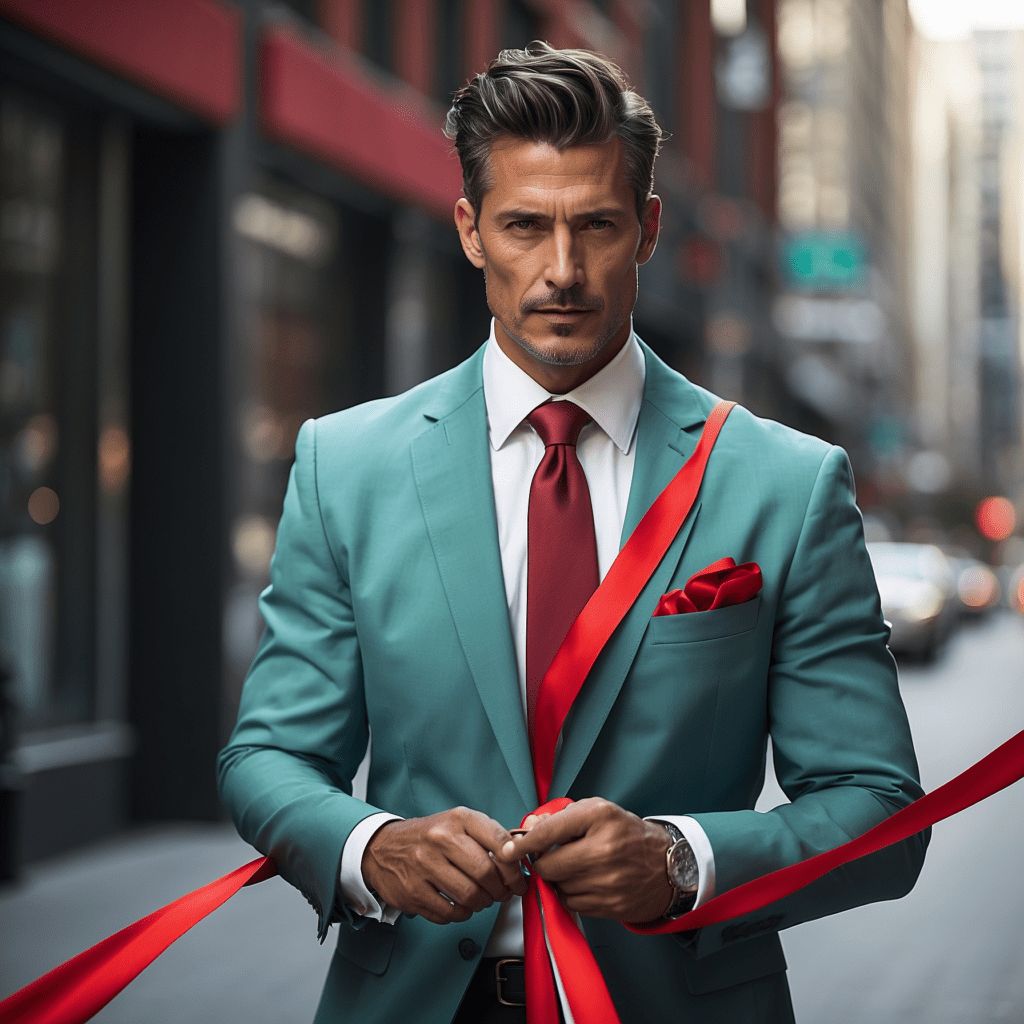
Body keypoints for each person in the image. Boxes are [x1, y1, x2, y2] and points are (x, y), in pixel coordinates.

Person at [218, 42, 926, 1024]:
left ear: (646, 229)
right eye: (523, 226)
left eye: (594, 225)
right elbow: (268, 757)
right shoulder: (348, 465)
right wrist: (370, 846)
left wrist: (683, 859)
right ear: (469, 231)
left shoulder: (785, 483)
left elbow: (882, 812)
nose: (560, 271)